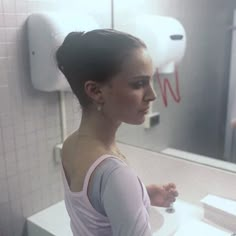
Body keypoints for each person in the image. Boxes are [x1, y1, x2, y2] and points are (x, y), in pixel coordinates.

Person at [56, 29, 178, 236]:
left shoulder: (70, 145)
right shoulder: (115, 173)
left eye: (150, 81)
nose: (152, 95)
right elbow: (110, 184)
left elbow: (95, 207)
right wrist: (131, 194)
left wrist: (144, 196)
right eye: (139, 84)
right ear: (95, 91)